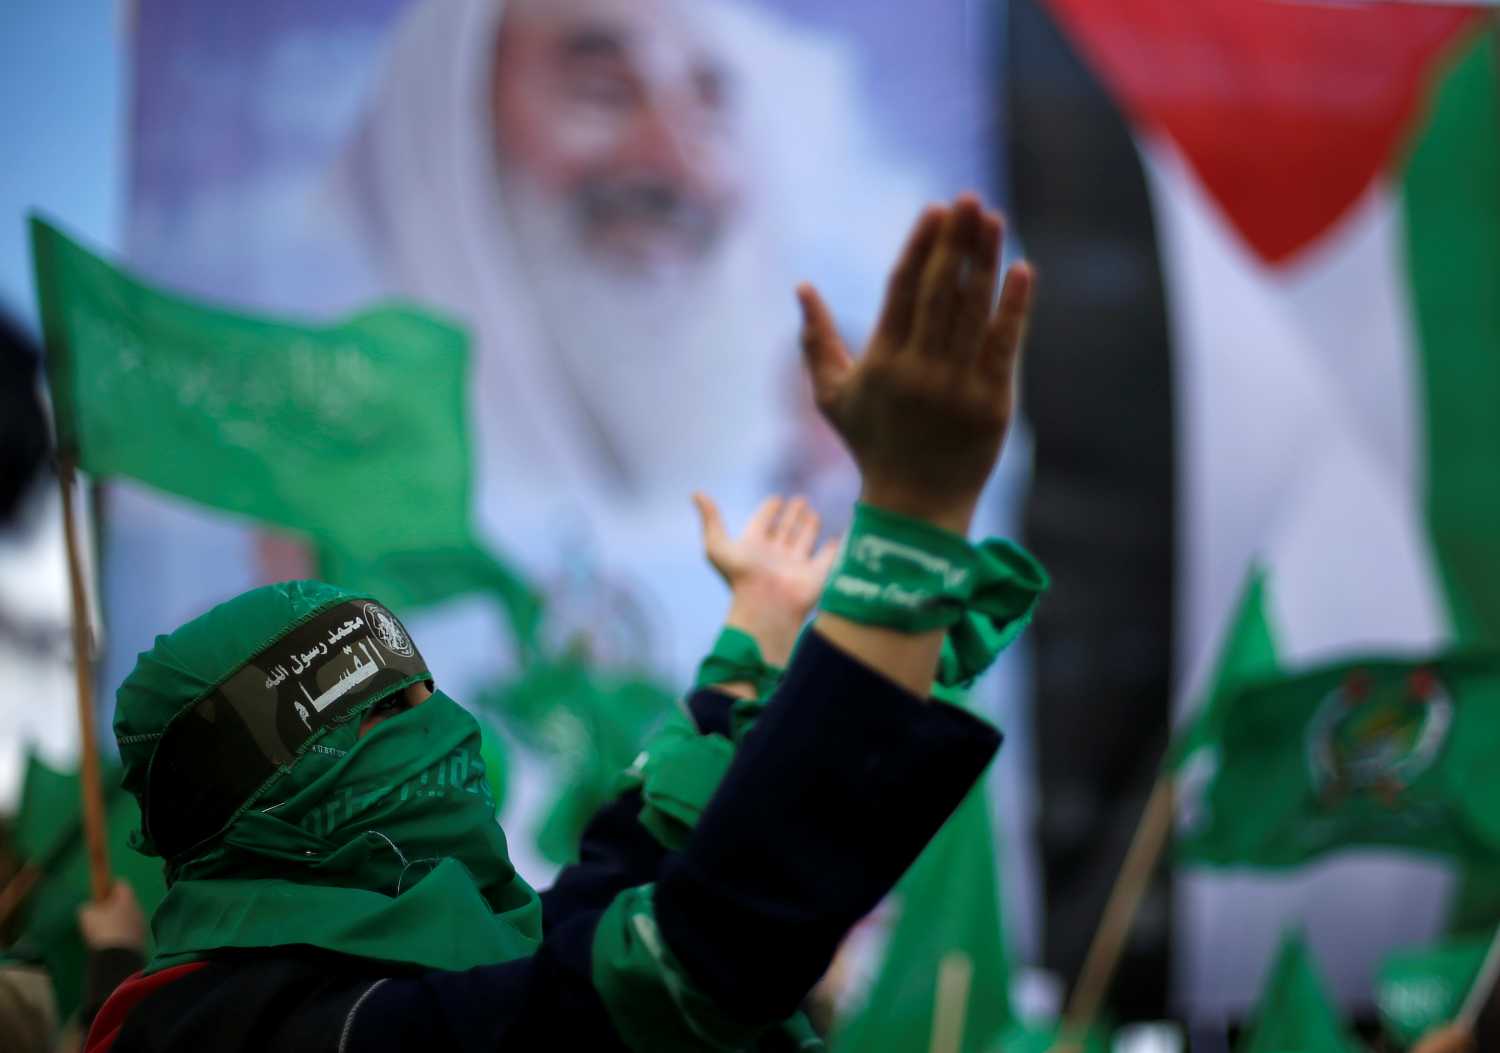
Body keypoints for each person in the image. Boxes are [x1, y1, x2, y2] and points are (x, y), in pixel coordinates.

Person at [85, 194, 1037, 1052]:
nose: (436, 723)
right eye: (381, 711)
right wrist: (907, 537)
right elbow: (655, 981)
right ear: (276, 791)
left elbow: (613, 887)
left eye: (420, 687)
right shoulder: (259, 1029)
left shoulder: (430, 958)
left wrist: (750, 644)